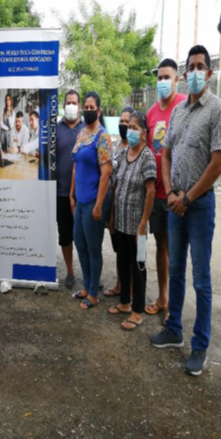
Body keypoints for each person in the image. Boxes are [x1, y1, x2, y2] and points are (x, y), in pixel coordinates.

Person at [151, 45, 221, 376]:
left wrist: (188, 198)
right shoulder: (179, 111)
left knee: (201, 278)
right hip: (175, 204)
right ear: (186, 74)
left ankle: (200, 346)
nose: (196, 71)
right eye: (192, 67)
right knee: (176, 271)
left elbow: (218, 162)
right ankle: (174, 329)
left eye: (201, 66)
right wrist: (171, 192)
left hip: (199, 207)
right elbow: (167, 153)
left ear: (209, 73)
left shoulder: (218, 110)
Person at [145, 59, 187, 318]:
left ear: (176, 79)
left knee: (176, 250)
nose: (162, 81)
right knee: (161, 245)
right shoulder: (151, 113)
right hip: (157, 193)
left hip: (177, 194)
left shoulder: (184, 105)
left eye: (166, 77)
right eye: (159, 77)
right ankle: (163, 298)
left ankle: (175, 307)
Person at [108, 111, 156, 330]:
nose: (131, 131)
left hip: (138, 226)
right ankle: (125, 303)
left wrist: (143, 224)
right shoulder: (124, 153)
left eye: (135, 128)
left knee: (138, 267)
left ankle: (137, 312)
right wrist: (112, 215)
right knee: (123, 262)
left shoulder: (147, 157)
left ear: (144, 133)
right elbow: (115, 181)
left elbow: (151, 192)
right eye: (129, 127)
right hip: (121, 222)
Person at [70, 91, 112, 308]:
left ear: (99, 110)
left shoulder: (102, 137)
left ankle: (94, 293)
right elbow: (76, 165)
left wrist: (98, 206)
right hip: (80, 200)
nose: (88, 110)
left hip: (94, 201)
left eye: (91, 108)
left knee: (93, 247)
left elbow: (106, 173)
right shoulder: (81, 133)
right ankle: (86, 286)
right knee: (79, 242)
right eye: (85, 107)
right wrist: (72, 195)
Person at [103, 106, 134, 298]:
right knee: (119, 249)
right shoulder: (113, 146)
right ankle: (119, 284)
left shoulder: (137, 149)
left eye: (127, 122)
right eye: (121, 121)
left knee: (132, 251)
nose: (123, 125)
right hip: (114, 205)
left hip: (132, 208)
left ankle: (130, 290)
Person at [56, 89, 84, 289]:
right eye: (68, 103)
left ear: (79, 106)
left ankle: (90, 273)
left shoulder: (87, 129)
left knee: (85, 236)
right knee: (65, 235)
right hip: (61, 192)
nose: (71, 106)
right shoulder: (56, 129)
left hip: (83, 194)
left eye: (74, 103)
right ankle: (70, 271)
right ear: (64, 105)